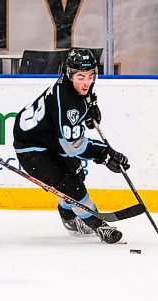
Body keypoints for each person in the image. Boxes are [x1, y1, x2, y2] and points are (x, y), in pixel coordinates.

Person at [13, 48, 130, 244]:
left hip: (49, 138)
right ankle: (99, 225)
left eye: (91, 76)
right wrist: (104, 154)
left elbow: (83, 99)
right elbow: (72, 146)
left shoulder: (71, 86)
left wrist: (90, 107)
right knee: (72, 186)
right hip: (31, 147)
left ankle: (68, 216)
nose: (87, 82)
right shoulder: (67, 102)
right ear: (69, 74)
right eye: (81, 77)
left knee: (76, 173)